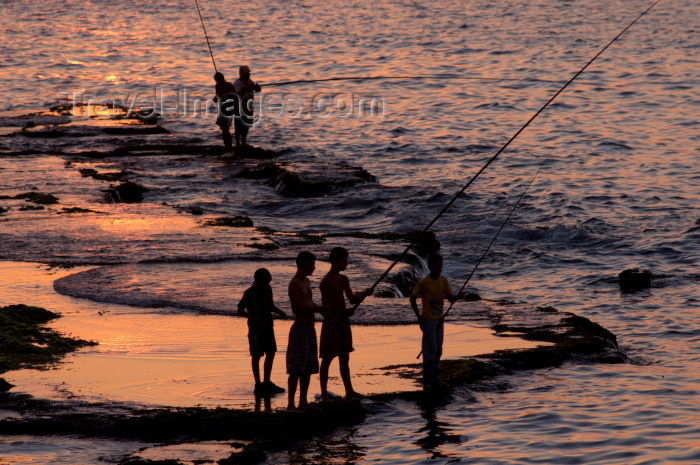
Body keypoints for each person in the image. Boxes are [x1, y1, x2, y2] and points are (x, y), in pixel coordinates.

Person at [319, 247, 372, 400]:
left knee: (344, 357)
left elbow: (352, 300)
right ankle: (323, 393)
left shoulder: (344, 279)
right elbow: (326, 307)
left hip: (343, 322)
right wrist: (343, 313)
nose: (346, 264)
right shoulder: (326, 281)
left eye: (346, 260)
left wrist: (365, 294)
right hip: (332, 323)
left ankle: (349, 391)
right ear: (335, 261)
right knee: (328, 358)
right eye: (344, 260)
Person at [409, 253, 463, 387]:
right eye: (437, 266)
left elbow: (450, 298)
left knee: (438, 350)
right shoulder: (424, 282)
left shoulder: (444, 281)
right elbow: (412, 298)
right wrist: (419, 319)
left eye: (441, 266)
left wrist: (458, 296)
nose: (439, 269)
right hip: (428, 320)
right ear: (429, 267)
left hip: (440, 320)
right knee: (430, 350)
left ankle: (435, 373)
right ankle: (428, 378)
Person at [237, 268, 288, 396]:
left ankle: (267, 382)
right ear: (258, 281)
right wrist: (255, 318)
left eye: (268, 283)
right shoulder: (249, 293)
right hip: (255, 329)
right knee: (256, 355)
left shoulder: (268, 289)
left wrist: (280, 312)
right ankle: (258, 384)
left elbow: (270, 305)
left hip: (268, 326)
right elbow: (240, 310)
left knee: (271, 353)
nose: (267, 285)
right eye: (265, 282)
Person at [286, 251, 327, 411]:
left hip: (310, 328)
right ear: (303, 264)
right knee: (296, 369)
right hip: (300, 329)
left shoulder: (307, 282)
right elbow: (297, 309)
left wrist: (321, 309)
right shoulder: (294, 284)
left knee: (308, 368)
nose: (314, 268)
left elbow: (309, 303)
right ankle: (290, 404)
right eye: (312, 264)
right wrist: (318, 309)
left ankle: (303, 401)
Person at [233, 65, 262, 151]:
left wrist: (257, 87)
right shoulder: (237, 83)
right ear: (241, 74)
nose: (248, 75)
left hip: (249, 108)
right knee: (238, 126)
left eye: (249, 73)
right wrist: (247, 88)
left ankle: (244, 142)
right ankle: (237, 143)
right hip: (239, 108)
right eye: (246, 73)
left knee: (246, 125)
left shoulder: (250, 82)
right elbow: (238, 94)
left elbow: (258, 90)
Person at [213, 72, 236, 154]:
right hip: (223, 109)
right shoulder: (226, 85)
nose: (216, 82)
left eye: (217, 80)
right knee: (224, 129)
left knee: (225, 129)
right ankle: (228, 148)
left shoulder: (226, 86)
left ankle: (229, 149)